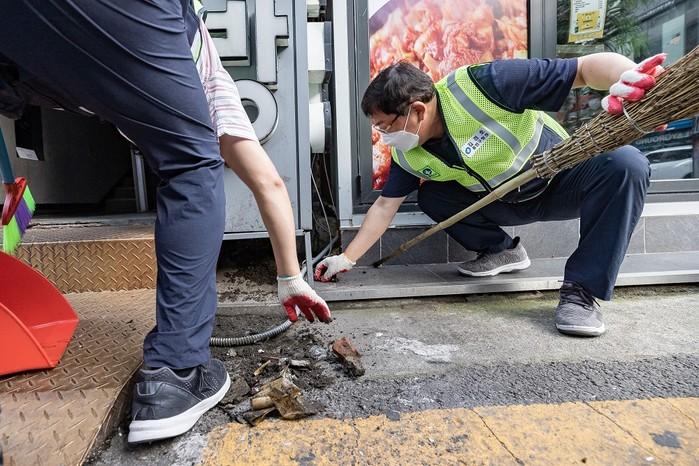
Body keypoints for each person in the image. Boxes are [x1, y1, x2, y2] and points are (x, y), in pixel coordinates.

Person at [0, 0, 331, 444]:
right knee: (193, 164)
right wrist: (290, 278)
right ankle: (175, 374)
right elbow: (269, 183)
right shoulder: (210, 82)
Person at [316, 52, 666, 338]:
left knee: (627, 164)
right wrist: (347, 258)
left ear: (417, 110)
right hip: (504, 202)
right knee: (433, 197)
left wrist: (629, 76)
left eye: (385, 126)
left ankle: (581, 292)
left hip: (560, 181)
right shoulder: (409, 154)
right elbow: (384, 206)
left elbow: (585, 69)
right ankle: (502, 251)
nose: (383, 136)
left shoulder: (485, 84)